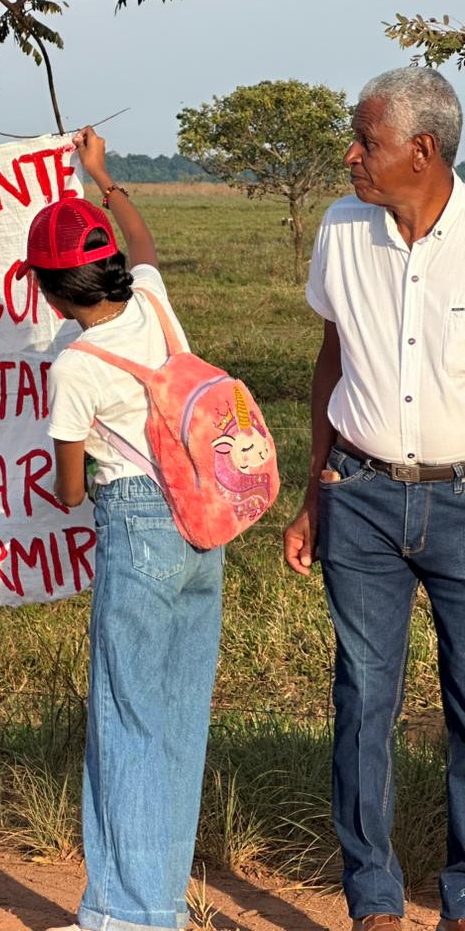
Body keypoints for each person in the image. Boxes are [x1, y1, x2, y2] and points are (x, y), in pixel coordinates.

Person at [283, 66, 465, 931]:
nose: (351, 156)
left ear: (422, 150)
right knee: (363, 702)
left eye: (366, 141)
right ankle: (375, 905)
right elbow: (333, 356)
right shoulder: (341, 228)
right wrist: (314, 490)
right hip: (356, 494)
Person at [36, 127, 225, 931]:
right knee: (176, 723)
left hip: (139, 530)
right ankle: (159, 905)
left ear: (52, 296)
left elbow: (69, 489)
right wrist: (103, 178)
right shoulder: (151, 299)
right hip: (203, 525)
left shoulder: (75, 366)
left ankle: (122, 916)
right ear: (111, 266)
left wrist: (57, 482)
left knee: (125, 722)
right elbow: (142, 241)